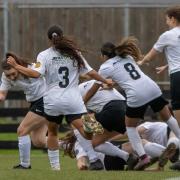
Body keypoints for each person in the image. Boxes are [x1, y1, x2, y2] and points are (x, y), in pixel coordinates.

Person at [7, 25, 114, 171]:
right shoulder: (74, 53)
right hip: (73, 101)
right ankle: (92, 143)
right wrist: (105, 80)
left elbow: (35, 74)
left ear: (49, 40)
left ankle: (55, 168)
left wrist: (16, 66)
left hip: (53, 101)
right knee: (84, 132)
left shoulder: (44, 55)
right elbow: (90, 72)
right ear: (62, 37)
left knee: (52, 132)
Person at [83, 39, 180, 170]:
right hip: (152, 87)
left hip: (137, 95)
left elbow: (93, 89)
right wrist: (112, 84)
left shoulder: (105, 67)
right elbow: (126, 77)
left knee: (130, 128)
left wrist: (82, 102)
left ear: (103, 56)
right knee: (169, 118)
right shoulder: (127, 57)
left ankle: (143, 157)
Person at [138, 6, 180, 170]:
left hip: (178, 76)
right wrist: (167, 65)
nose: (166, 21)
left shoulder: (167, 35)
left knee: (178, 120)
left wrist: (141, 62)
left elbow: (150, 55)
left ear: (172, 19)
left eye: (167, 19)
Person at [0, 52, 48, 169]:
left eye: (13, 74)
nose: (11, 77)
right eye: (8, 75)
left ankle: (25, 165)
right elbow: (2, 94)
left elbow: (36, 74)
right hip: (34, 103)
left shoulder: (32, 67)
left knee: (22, 130)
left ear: (17, 65)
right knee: (39, 141)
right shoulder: (5, 76)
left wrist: (16, 66)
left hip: (47, 100)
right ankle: (71, 145)